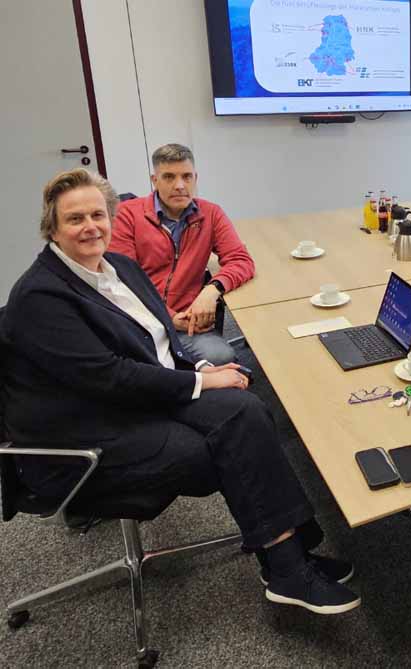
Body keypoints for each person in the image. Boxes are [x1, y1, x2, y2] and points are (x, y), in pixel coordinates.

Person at [2, 168, 359, 615]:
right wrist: (203, 381)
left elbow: (159, 344)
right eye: (75, 219)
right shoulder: (43, 296)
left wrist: (204, 365)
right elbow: (111, 378)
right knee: (226, 442)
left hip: (134, 401)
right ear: (52, 229)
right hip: (84, 432)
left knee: (248, 409)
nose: (90, 226)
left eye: (98, 214)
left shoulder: (119, 270)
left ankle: (285, 561)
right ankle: (285, 561)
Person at [110, 143, 254, 365]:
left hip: (189, 322)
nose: (179, 185)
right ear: (154, 180)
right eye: (169, 177)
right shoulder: (127, 214)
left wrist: (211, 290)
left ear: (195, 178)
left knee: (222, 357)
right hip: (140, 320)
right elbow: (123, 278)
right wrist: (169, 318)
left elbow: (241, 260)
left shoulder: (210, 213)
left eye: (187, 177)